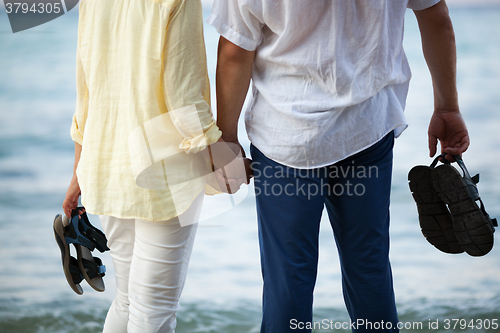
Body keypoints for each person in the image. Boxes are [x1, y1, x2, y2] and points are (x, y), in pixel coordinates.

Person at [208, 0, 469, 332]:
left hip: (288, 139)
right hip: (367, 129)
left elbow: (235, 50)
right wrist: (447, 107)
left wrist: (226, 139)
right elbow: (435, 15)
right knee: (369, 270)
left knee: (288, 281)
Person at [61, 0, 247, 332]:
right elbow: (184, 93)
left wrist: (79, 170)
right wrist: (223, 154)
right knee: (154, 311)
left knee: (128, 300)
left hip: (107, 167)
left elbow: (85, 88)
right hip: (164, 175)